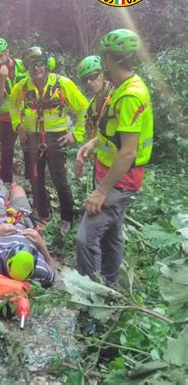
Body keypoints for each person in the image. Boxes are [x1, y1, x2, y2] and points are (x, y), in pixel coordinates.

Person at [76, 29, 153, 287]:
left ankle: (92, 296)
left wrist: (101, 190)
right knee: (112, 235)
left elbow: (128, 151)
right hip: (111, 173)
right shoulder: (122, 88)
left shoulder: (130, 95)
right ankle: (111, 286)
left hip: (119, 181)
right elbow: (114, 134)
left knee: (85, 239)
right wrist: (92, 142)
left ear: (108, 59)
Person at [9, 46, 88, 234]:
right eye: (32, 65)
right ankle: (42, 214)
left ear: (47, 64)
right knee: (36, 178)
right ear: (26, 68)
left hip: (56, 138)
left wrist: (76, 134)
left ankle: (67, 218)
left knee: (59, 180)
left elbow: (84, 107)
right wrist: (17, 125)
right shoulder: (21, 87)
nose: (37, 69)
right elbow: (12, 106)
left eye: (40, 64)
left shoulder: (63, 84)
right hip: (32, 138)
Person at [0, 37, 29, 184]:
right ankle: (6, 184)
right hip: (6, 118)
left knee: (29, 151)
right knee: (6, 153)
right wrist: (2, 79)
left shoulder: (23, 65)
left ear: (8, 52)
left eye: (1, 56)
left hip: (26, 117)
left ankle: (30, 183)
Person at [74, 55, 112, 178]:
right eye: (85, 80)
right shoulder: (92, 105)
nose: (89, 82)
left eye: (93, 77)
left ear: (103, 74)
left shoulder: (117, 97)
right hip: (100, 162)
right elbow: (94, 134)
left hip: (119, 166)